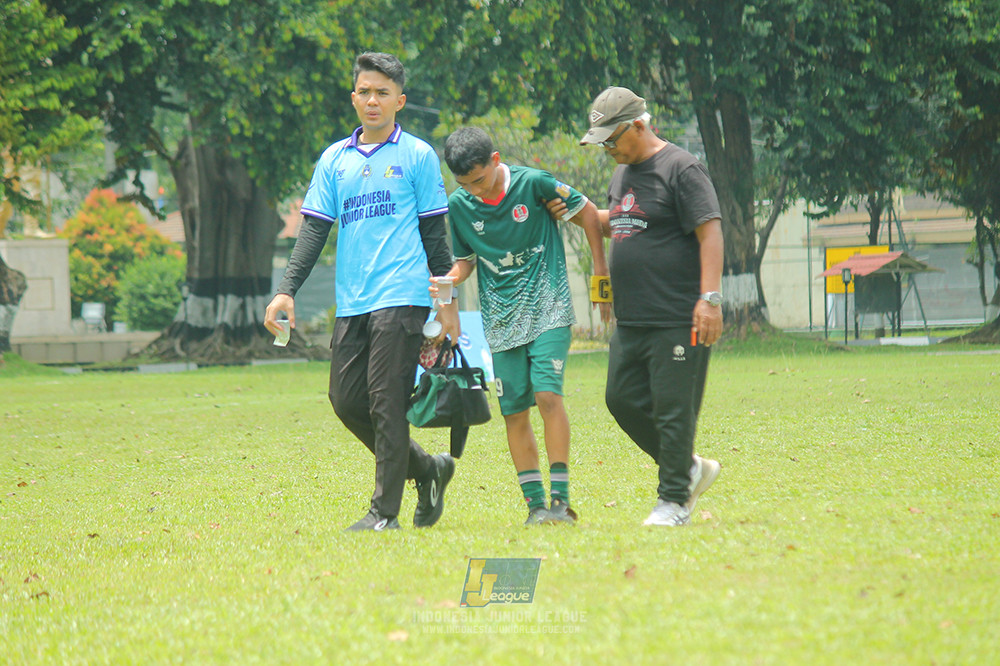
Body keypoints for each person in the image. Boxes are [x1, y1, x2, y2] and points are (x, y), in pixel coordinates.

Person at [264, 52, 460, 532]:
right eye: (365, 92)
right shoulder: (334, 159)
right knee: (346, 399)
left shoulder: (417, 156)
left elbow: (436, 238)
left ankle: (383, 513)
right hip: (353, 300)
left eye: (383, 93)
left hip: (403, 295)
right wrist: (286, 291)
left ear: (400, 101)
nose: (373, 100)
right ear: (354, 98)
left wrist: (446, 304)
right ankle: (427, 469)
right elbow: (313, 230)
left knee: (386, 403)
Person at [435, 127, 611, 526]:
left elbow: (588, 213)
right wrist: (448, 280)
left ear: (496, 160)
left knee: (547, 396)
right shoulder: (459, 205)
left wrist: (601, 275)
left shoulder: (534, 183)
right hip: (501, 320)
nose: (474, 190)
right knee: (513, 412)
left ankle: (561, 502)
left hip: (549, 308)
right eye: (465, 184)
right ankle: (535, 507)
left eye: (479, 180)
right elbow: (465, 261)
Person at [567, 86, 724, 526]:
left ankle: (673, 501)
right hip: (632, 317)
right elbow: (622, 222)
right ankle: (687, 468)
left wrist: (710, 299)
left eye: (612, 140)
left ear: (638, 125)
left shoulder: (681, 168)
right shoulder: (623, 173)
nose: (608, 150)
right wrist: (576, 209)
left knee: (675, 412)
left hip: (678, 315)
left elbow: (710, 232)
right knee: (621, 399)